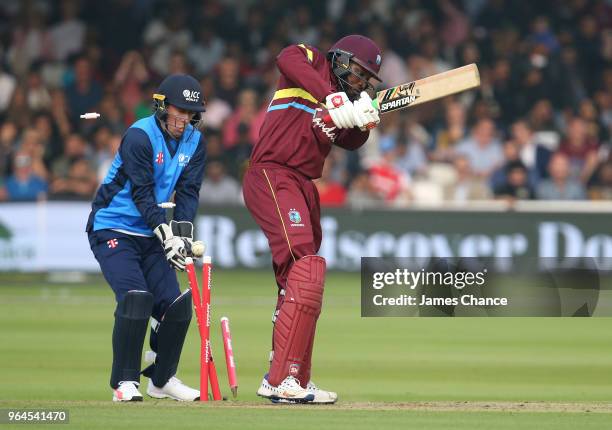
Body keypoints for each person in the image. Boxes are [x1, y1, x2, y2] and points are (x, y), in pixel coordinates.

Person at [242, 35, 382, 404]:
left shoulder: (347, 100)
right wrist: (331, 97)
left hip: (304, 183)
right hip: (273, 173)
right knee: (303, 262)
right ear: (340, 59)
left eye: (367, 79)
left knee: (304, 278)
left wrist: (363, 121)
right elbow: (285, 56)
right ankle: (280, 380)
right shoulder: (311, 61)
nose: (360, 82)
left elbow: (351, 142)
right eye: (358, 73)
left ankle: (292, 376)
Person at [86, 74, 207, 402]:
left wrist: (181, 235)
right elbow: (142, 192)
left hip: (149, 234)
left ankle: (161, 379)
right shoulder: (140, 135)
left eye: (190, 112)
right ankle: (124, 384)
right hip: (112, 227)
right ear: (162, 106)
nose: (183, 119)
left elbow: (188, 192)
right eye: (177, 111)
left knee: (179, 307)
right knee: (136, 296)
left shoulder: (195, 142)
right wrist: (164, 234)